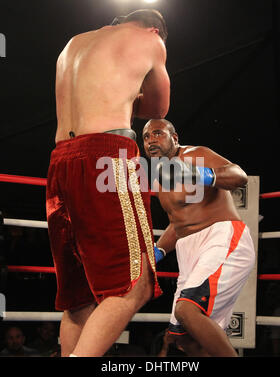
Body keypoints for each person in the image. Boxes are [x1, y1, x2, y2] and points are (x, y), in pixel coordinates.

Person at [46, 9, 170, 357]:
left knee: (79, 298)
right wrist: (133, 95)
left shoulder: (74, 44)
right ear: (154, 28)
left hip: (61, 159)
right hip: (107, 155)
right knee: (137, 285)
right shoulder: (151, 39)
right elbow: (160, 107)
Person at [143, 119, 256, 357]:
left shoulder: (195, 155)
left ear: (174, 138)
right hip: (188, 251)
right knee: (181, 338)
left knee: (187, 311)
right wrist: (157, 252)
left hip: (221, 237)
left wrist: (201, 174)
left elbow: (239, 176)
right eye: (145, 137)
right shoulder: (158, 178)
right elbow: (178, 222)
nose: (151, 140)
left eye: (157, 133)